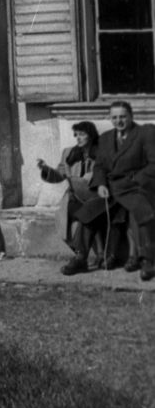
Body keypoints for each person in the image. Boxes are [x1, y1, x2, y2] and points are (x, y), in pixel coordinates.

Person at [73, 102, 155, 281]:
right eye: (115, 117)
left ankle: (148, 261)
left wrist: (135, 181)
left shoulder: (145, 134)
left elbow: (153, 164)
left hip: (135, 187)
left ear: (131, 116)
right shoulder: (105, 138)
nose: (119, 120)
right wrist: (101, 184)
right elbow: (100, 166)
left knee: (140, 212)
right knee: (89, 211)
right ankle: (80, 257)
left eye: (123, 116)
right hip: (110, 189)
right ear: (110, 118)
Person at [37, 121, 104, 274]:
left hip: (97, 196)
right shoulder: (69, 153)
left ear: (91, 135)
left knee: (89, 213)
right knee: (68, 222)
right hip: (74, 197)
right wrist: (46, 170)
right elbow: (60, 175)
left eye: (82, 134)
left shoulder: (103, 152)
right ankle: (95, 254)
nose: (78, 138)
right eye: (76, 135)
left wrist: (95, 173)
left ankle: (81, 258)